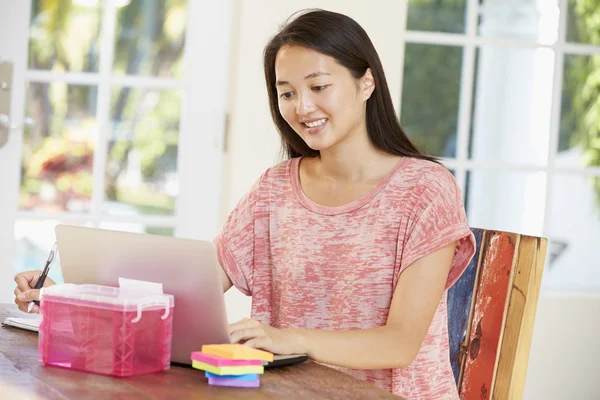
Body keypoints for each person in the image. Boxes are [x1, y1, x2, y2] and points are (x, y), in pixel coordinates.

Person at [14, 9, 476, 399]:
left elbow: (400, 344)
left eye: (319, 86)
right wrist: (69, 297)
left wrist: (282, 339)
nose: (302, 107)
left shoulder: (425, 189)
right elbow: (188, 290)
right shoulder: (275, 190)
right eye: (287, 92)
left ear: (367, 82)